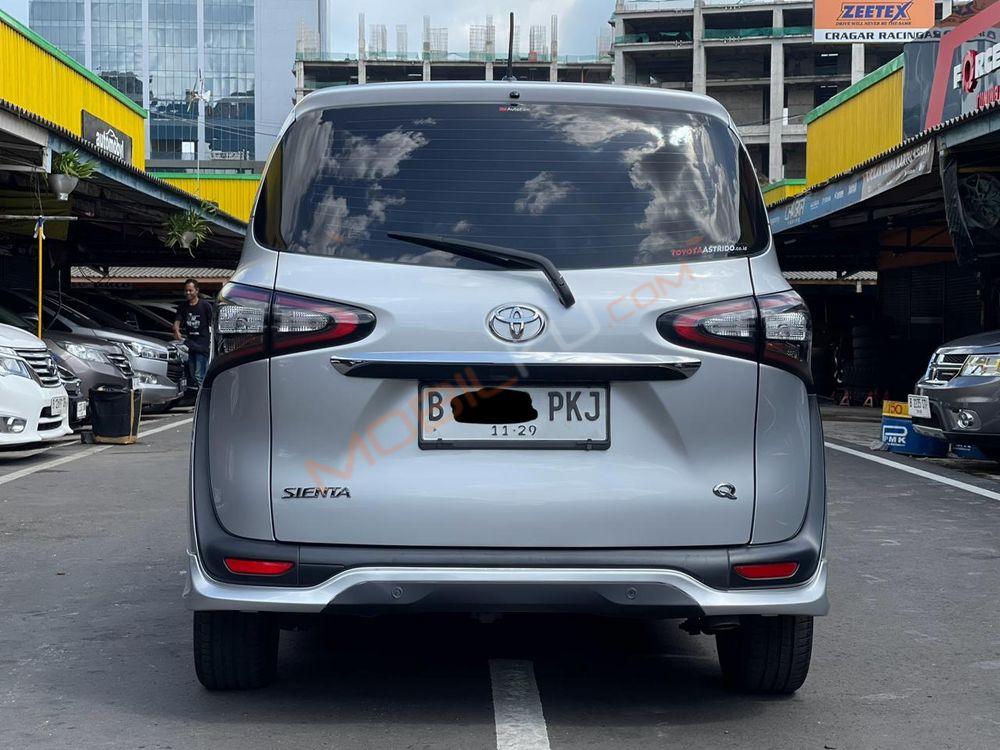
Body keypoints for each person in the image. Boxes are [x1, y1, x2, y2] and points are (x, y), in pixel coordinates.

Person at [173, 278, 213, 388]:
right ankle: (202, 399)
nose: (188, 293)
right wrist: (176, 330)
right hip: (190, 344)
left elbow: (212, 324)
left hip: (202, 345)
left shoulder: (205, 306)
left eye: (190, 290)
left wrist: (212, 341)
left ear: (197, 290)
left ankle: (203, 401)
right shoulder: (183, 306)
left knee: (199, 375)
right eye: (186, 290)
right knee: (192, 375)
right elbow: (177, 321)